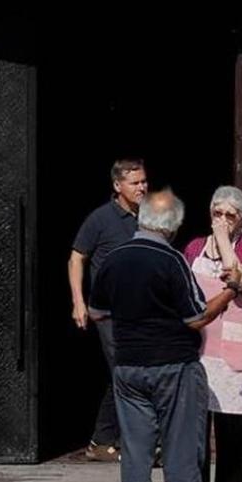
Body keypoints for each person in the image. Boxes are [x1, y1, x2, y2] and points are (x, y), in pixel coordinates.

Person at [89, 190, 236, 482]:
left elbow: (97, 311)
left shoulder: (115, 259)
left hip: (128, 369)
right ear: (172, 227)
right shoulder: (172, 262)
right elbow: (197, 317)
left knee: (135, 457)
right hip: (174, 367)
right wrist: (229, 292)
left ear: (141, 220)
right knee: (181, 455)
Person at [184, 186, 242, 482]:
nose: (223, 220)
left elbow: (237, 278)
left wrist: (225, 240)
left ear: (241, 219)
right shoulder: (194, 247)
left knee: (233, 425)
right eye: (218, 213)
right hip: (201, 345)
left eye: (230, 215)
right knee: (197, 425)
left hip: (234, 347)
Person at [69, 159, 148, 462]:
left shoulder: (148, 217)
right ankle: (135, 442)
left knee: (124, 373)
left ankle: (101, 440)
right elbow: (76, 258)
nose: (142, 187)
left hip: (142, 312)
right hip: (108, 313)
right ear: (118, 186)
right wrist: (78, 301)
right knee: (127, 370)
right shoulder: (100, 219)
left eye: (143, 181)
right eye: (135, 182)